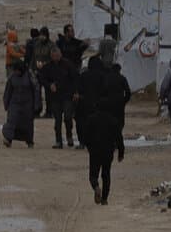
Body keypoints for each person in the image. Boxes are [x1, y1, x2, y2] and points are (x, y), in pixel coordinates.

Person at [76, 53, 129, 204]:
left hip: (95, 150)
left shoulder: (92, 119)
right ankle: (105, 199)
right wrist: (121, 151)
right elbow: (119, 136)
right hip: (108, 150)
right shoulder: (113, 120)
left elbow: (86, 134)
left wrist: (87, 144)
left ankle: (95, 187)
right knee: (106, 174)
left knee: (93, 174)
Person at [39, 44, 77, 149]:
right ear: (51, 56)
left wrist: (76, 92)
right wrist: (49, 85)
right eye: (53, 56)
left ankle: (69, 136)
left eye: (57, 56)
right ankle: (58, 141)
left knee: (68, 117)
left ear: (60, 55)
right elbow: (41, 78)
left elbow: (75, 78)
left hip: (67, 95)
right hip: (55, 97)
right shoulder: (48, 67)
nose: (55, 58)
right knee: (58, 120)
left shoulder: (68, 65)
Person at [0, 59, 38, 148]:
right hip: (14, 103)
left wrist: (36, 105)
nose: (16, 72)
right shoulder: (12, 77)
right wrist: (6, 103)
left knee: (28, 123)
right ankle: (8, 139)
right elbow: (8, 91)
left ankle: (29, 141)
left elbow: (36, 90)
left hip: (27, 104)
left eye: (17, 70)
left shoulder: (30, 75)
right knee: (11, 120)